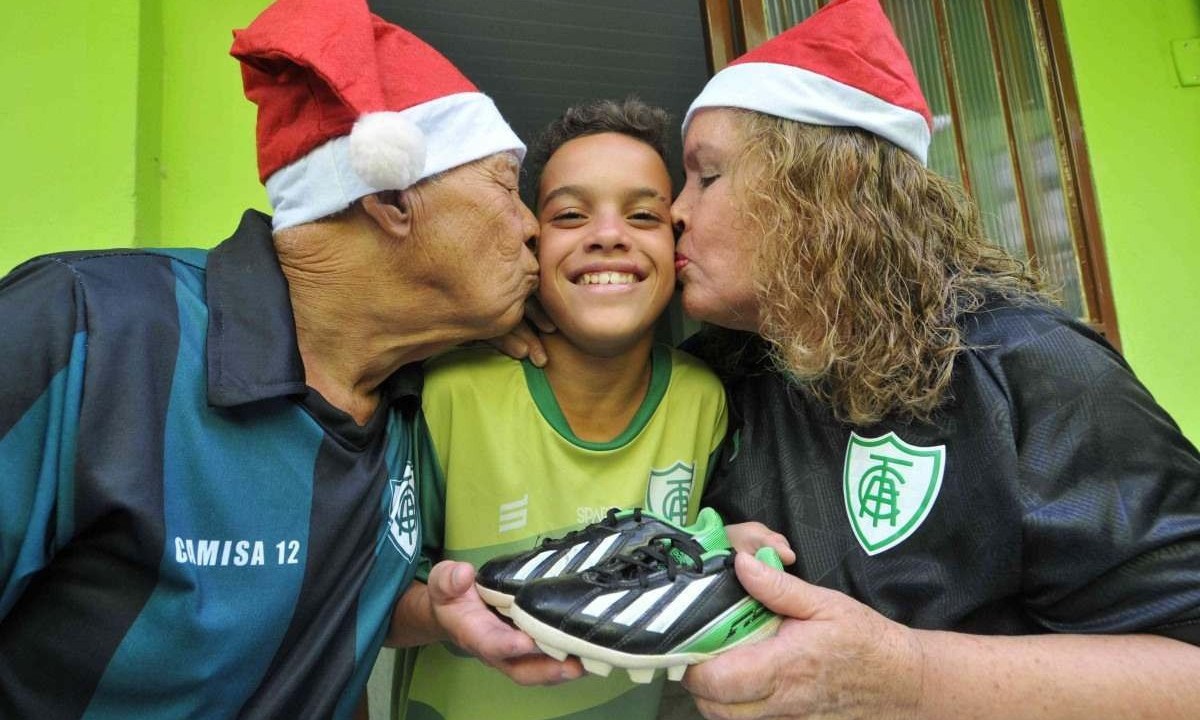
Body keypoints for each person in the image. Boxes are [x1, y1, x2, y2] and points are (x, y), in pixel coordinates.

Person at [0, 0, 565, 716]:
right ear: (391, 196)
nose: (531, 228)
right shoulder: (84, 332)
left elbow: (300, 620)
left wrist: (436, 614)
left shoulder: (409, 393)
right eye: (506, 189)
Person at [656, 0, 1200, 717]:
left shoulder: (1032, 367)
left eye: (707, 175)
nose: (674, 210)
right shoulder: (709, 379)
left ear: (821, 189)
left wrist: (904, 676)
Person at [388, 98, 730, 720]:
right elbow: (368, 607)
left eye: (644, 214)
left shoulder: (705, 401)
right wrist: (443, 614)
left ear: (676, 244)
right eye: (571, 214)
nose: (607, 234)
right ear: (531, 243)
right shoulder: (449, 392)